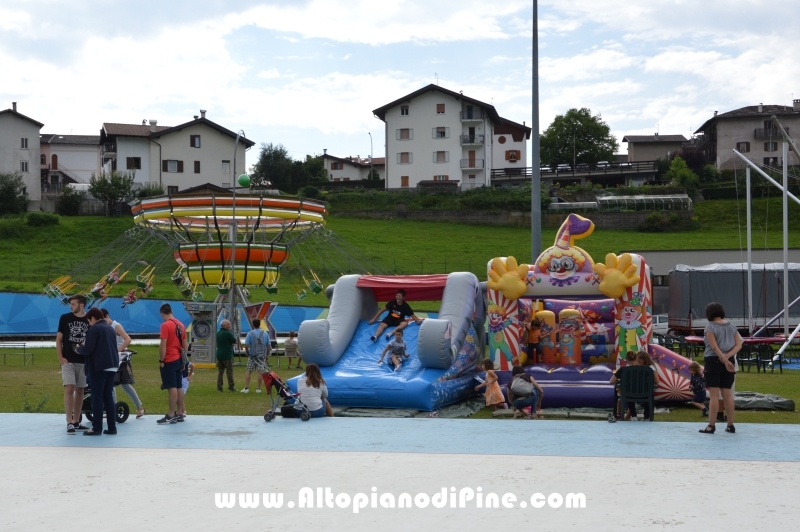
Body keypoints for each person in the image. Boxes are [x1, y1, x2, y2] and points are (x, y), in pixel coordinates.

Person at [76, 308, 120, 435]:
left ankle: (96, 427)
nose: (89, 323)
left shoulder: (94, 329)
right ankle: (112, 427)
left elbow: (88, 349)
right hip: (112, 366)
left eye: (89, 320)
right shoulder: (110, 328)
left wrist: (79, 349)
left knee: (97, 397)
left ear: (93, 318)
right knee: (108, 397)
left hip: (99, 367)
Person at [699, 302, 742, 434]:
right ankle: (730, 425)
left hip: (713, 361)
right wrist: (728, 357)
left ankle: (711, 425)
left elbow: (713, 347)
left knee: (714, 395)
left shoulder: (710, 327)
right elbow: (738, 344)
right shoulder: (732, 327)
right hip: (729, 360)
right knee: (727, 395)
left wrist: (722, 358)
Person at [101, 308, 145, 418]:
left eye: (102, 319)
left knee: (125, 384)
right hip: (110, 359)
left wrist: (118, 351)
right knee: (110, 384)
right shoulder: (103, 327)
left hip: (122, 358)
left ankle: (139, 407)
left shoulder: (116, 326)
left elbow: (127, 339)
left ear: (107, 316)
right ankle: (113, 408)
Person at [56, 294, 90, 434]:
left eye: (74, 304)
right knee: (70, 387)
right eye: (71, 304)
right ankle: (69, 422)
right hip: (68, 360)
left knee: (81, 390)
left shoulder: (89, 320)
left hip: (83, 360)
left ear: (81, 305)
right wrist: (60, 358)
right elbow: (59, 339)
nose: (71, 306)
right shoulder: (65, 318)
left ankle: (77, 421)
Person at [157, 303, 188, 425]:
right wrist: (184, 360)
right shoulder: (180, 324)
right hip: (179, 359)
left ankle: (170, 414)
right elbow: (185, 344)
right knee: (179, 386)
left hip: (169, 359)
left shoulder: (165, 325)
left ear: (162, 313)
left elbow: (163, 345)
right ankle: (180, 412)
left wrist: (161, 360)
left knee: (172, 387)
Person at [241, 319, 270, 393]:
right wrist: (267, 354)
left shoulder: (250, 333)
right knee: (260, 372)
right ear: (260, 324)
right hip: (262, 356)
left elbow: (246, 345)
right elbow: (268, 345)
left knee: (249, 371)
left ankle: (246, 388)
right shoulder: (265, 333)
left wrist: (247, 353)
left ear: (253, 324)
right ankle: (258, 389)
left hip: (252, 355)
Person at [215, 319, 237, 392]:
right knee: (229, 371)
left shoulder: (217, 333)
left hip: (219, 354)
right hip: (226, 355)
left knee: (220, 372)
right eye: (228, 324)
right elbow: (235, 341)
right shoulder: (227, 333)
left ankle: (219, 388)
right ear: (224, 325)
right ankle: (231, 387)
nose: (230, 326)